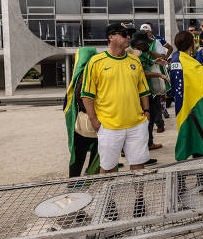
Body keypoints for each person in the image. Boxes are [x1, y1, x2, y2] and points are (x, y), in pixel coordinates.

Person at [81, 23, 153, 174]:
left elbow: (143, 90)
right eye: (123, 34)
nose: (128, 37)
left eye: (129, 34)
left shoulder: (135, 61)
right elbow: (87, 95)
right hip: (109, 126)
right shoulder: (96, 62)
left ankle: (139, 198)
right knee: (107, 167)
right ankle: (108, 198)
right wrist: (94, 120)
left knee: (138, 166)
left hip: (137, 124)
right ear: (111, 37)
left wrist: (146, 112)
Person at [169, 31, 203, 161]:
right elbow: (197, 75)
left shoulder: (178, 58)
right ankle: (201, 153)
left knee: (196, 128)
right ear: (191, 43)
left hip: (187, 100)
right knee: (196, 127)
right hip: (192, 101)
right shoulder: (181, 59)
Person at [130, 31, 171, 150]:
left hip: (149, 90)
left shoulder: (142, 51)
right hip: (141, 92)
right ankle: (144, 145)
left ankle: (149, 142)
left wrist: (155, 60)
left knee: (151, 116)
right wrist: (159, 75)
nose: (147, 45)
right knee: (146, 118)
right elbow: (143, 72)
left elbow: (157, 57)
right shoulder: (134, 54)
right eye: (145, 44)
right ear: (138, 44)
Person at [64, 47, 98, 177]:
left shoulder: (79, 73)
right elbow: (83, 97)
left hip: (83, 118)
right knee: (93, 150)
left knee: (79, 153)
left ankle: (74, 180)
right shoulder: (89, 72)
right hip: (93, 118)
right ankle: (89, 174)